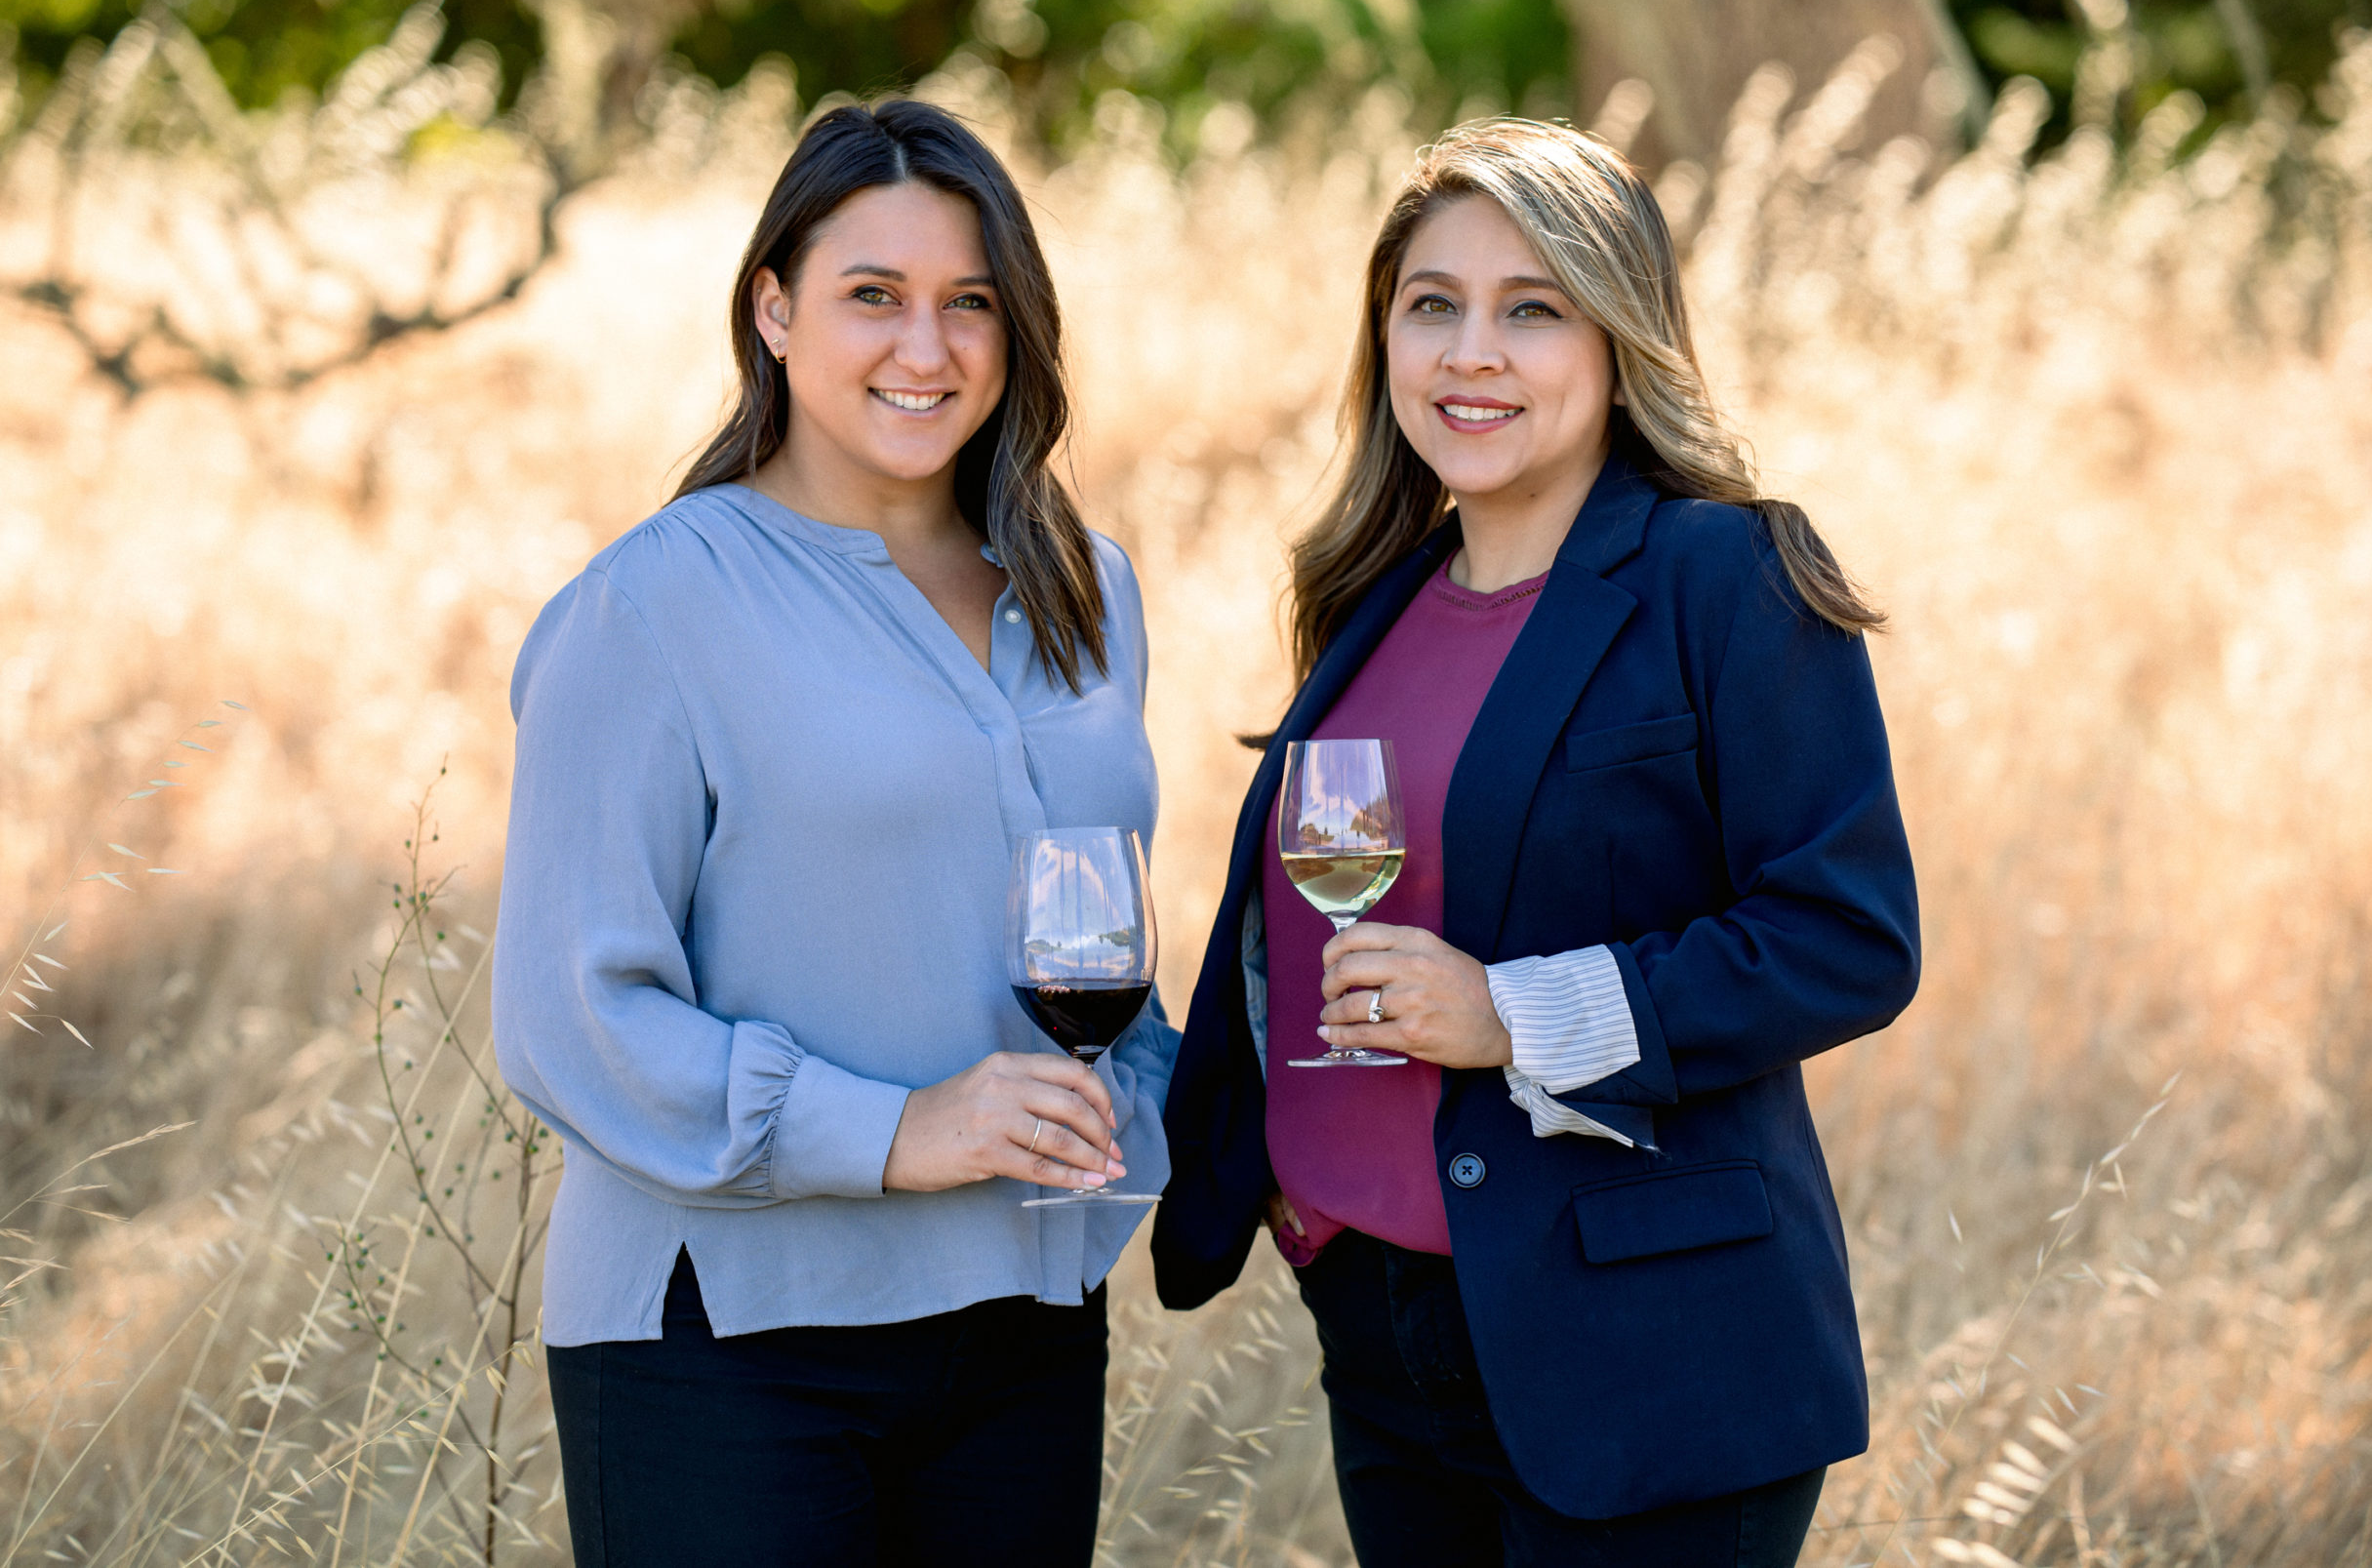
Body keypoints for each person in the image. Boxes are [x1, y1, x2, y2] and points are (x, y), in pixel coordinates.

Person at [1152, 119, 1920, 1567]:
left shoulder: (1727, 574)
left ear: (1620, 335)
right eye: (1431, 304)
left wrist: (1510, 1012)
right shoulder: (1371, 599)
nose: (1471, 353)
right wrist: (1285, 1181)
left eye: (1533, 308)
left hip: (1649, 1349)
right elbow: (1304, 933)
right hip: (1383, 1336)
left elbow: (1848, 938)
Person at [492, 99, 1175, 1568]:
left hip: (1024, 1328)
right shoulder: (650, 610)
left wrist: (1187, 1107)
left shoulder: (1086, 588)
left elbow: (1101, 942)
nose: (925, 352)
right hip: (727, 1344)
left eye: (970, 304)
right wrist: (896, 1131)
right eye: (876, 296)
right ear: (774, 311)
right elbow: (569, 1017)